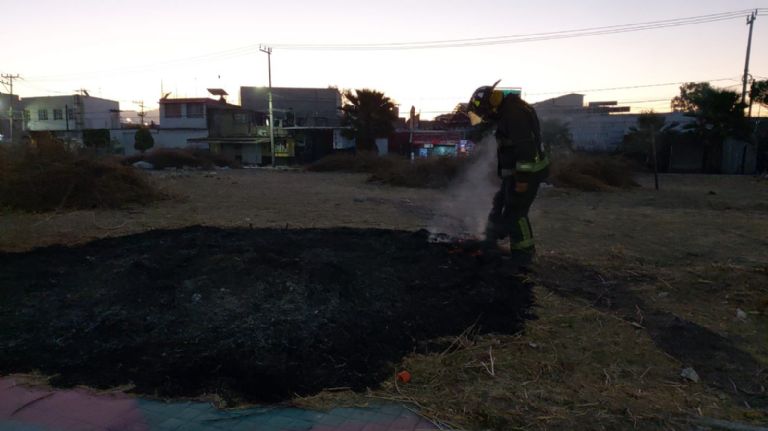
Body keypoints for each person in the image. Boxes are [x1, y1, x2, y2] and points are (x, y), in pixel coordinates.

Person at [467, 81, 550, 265]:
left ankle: (523, 256)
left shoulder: (514, 114)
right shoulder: (508, 110)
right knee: (499, 203)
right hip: (515, 172)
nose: (486, 117)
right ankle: (490, 241)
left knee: (516, 213)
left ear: (491, 104)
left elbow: (525, 148)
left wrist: (522, 179)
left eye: (485, 112)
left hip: (527, 173)